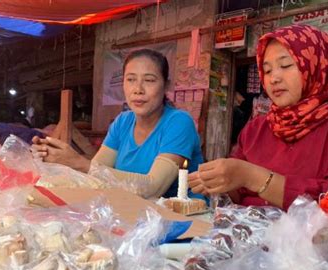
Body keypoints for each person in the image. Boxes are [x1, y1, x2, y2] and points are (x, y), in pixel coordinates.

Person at [189, 25, 328, 210]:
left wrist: (252, 177)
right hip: (249, 240)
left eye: (285, 65)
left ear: (316, 66)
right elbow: (237, 194)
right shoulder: (256, 129)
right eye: (267, 70)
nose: (274, 78)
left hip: (317, 243)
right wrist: (219, 182)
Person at [32, 48, 204, 199]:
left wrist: (78, 162)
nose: (138, 89)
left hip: (183, 223)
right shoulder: (123, 122)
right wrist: (57, 160)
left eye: (149, 80)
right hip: (137, 215)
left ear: (166, 85)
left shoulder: (179, 123)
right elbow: (97, 173)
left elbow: (153, 188)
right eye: (130, 80)